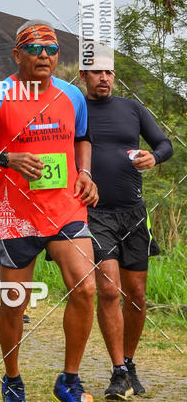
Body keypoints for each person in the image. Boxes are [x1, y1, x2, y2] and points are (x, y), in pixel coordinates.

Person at [0, 20, 99, 402]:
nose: (44, 55)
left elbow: (82, 139)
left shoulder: (71, 95)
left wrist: (85, 173)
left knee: (86, 286)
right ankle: (12, 377)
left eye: (50, 48)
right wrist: (7, 159)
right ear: (17, 55)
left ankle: (70, 379)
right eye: (33, 48)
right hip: (15, 212)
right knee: (14, 302)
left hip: (66, 207)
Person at [81, 63, 173, 399]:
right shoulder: (77, 109)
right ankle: (118, 371)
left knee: (136, 294)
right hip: (95, 214)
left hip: (133, 214)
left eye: (108, 72)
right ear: (83, 76)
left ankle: (130, 362)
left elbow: (165, 144)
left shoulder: (131, 108)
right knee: (107, 290)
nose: (103, 77)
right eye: (96, 72)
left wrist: (154, 157)